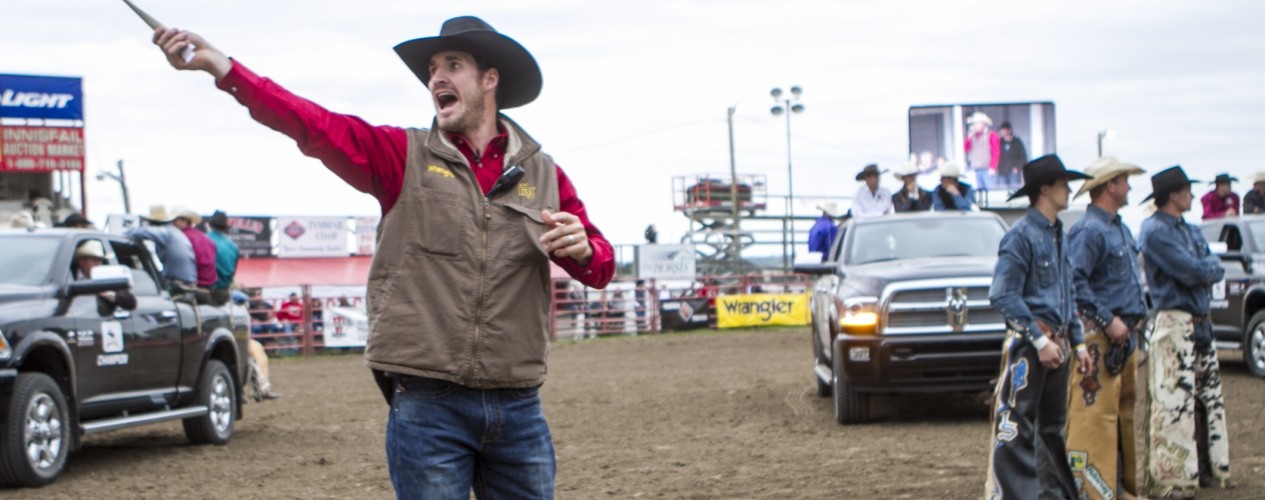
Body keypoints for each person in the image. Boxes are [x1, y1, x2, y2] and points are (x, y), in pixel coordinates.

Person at [153, 15, 614, 498]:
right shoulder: (401, 155)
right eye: (432, 69)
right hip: (427, 404)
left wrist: (584, 249)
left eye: (453, 65)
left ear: (489, 79)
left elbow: (600, 265)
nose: (436, 77)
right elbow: (312, 124)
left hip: (519, 402)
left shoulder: (543, 173)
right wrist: (223, 68)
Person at [985, 155, 1093, 499]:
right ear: (1044, 189)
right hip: (1034, 346)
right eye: (1063, 184)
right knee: (1020, 426)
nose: (1069, 189)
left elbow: (1068, 292)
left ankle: (1052, 495)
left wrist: (1077, 343)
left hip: (1054, 342)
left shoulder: (1057, 234)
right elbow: (1002, 293)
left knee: (1049, 428)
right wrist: (1036, 337)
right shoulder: (1021, 237)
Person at [1139, 166, 1233, 498]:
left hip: (1198, 320)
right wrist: (1205, 269)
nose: (1192, 195)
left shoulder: (1186, 229)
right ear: (1175, 195)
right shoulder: (1155, 231)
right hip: (1176, 321)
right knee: (1174, 401)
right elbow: (1195, 270)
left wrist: (1204, 269)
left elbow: (1209, 266)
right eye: (1187, 190)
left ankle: (1204, 469)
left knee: (1206, 398)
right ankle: (1176, 475)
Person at [1065, 156, 1148, 500]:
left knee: (1119, 412)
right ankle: (1094, 491)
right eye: (1124, 180)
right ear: (1110, 185)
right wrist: (1107, 318)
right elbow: (1074, 280)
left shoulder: (1116, 227)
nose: (1129, 186)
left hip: (1120, 334)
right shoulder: (1090, 231)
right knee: (1093, 416)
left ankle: (1116, 487)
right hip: (1102, 334)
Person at [127, 205, 198, 290]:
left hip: (180, 284)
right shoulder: (173, 232)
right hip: (186, 282)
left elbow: (134, 233)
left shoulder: (164, 232)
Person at [231, 290, 282, 401]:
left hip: (238, 341)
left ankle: (259, 390)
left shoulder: (238, 312)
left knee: (256, 355)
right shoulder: (236, 312)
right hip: (233, 342)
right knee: (252, 357)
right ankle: (255, 391)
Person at [73, 240, 137, 317]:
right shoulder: (69, 275)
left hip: (99, 320)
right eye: (93, 260)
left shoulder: (105, 276)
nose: (97, 263)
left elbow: (130, 302)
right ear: (81, 261)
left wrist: (113, 296)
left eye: (100, 260)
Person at [171, 207, 217, 289]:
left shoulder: (181, 237)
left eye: (174, 220)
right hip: (209, 283)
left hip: (194, 283)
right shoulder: (203, 236)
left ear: (183, 221)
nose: (172, 223)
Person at [205, 210, 240, 305]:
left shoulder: (204, 239)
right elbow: (233, 272)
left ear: (210, 225)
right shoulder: (233, 246)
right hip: (223, 292)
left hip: (206, 290)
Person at [964, 111, 1000, 192]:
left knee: (991, 191)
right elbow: (966, 149)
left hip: (988, 170)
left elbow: (996, 153)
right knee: (980, 192)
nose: (974, 126)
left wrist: (993, 167)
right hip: (977, 169)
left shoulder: (992, 135)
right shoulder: (972, 136)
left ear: (983, 124)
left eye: (976, 123)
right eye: (974, 124)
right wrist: (969, 137)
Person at [997, 122, 1028, 189]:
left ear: (1009, 130)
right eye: (1001, 130)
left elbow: (1023, 157)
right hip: (1002, 172)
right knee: (1002, 191)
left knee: (1014, 190)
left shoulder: (1017, 142)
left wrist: (1018, 167)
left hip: (1013, 172)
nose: (1001, 132)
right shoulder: (1000, 142)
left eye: (1003, 130)